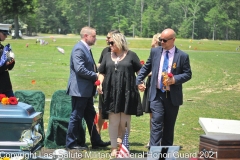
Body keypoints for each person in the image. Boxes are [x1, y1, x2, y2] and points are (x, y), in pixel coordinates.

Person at [136, 28, 192, 147]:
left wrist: (175, 79)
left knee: (169, 127)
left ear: (173, 40)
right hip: (156, 95)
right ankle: (154, 153)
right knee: (156, 123)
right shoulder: (155, 52)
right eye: (161, 40)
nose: (162, 42)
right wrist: (139, 80)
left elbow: (188, 74)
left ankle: (165, 154)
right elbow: (146, 68)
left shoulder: (182, 56)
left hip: (172, 97)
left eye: (165, 40)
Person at [97, 33, 143, 156]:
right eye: (109, 43)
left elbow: (140, 72)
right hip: (111, 93)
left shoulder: (132, 55)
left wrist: (141, 83)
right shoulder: (107, 56)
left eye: (112, 43)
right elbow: (101, 72)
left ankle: (124, 146)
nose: (109, 45)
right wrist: (99, 83)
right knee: (113, 121)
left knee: (125, 121)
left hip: (128, 92)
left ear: (119, 42)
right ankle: (113, 147)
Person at [66, 26, 110, 150]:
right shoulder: (79, 49)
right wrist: (96, 75)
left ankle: (96, 141)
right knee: (76, 116)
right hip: (79, 90)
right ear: (86, 36)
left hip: (86, 90)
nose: (95, 38)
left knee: (90, 116)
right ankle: (70, 143)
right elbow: (80, 69)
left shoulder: (85, 48)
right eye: (93, 36)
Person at [96, 29, 120, 135]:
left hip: (118, 87)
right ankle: (97, 134)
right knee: (102, 111)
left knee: (119, 113)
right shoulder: (105, 51)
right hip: (105, 87)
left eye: (108, 37)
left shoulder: (124, 52)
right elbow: (100, 66)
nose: (106, 39)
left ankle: (119, 138)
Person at [142, 33, 161, 148]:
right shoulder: (153, 52)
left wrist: (151, 73)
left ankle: (158, 140)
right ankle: (153, 139)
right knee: (152, 115)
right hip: (150, 85)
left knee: (157, 115)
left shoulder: (162, 52)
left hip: (158, 85)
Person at [0, 24, 15, 97]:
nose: (6, 36)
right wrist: (5, 64)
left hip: (6, 86)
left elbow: (10, 67)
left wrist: (11, 60)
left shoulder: (4, 48)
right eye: (4, 34)